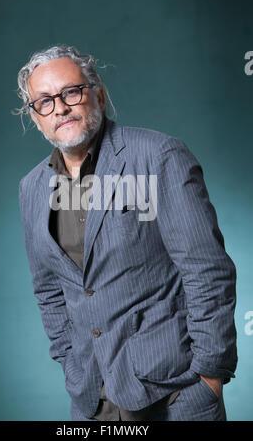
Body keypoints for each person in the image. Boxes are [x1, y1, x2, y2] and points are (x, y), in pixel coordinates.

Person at [17, 45, 237, 421]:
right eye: (44, 101)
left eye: (71, 92)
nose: (60, 108)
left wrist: (209, 376)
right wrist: (72, 364)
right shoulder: (32, 188)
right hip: (91, 401)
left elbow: (207, 270)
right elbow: (49, 291)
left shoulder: (158, 156)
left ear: (97, 94)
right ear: (35, 117)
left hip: (176, 395)